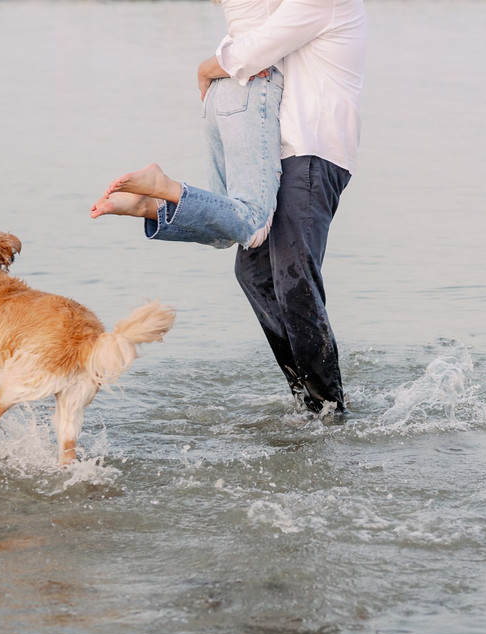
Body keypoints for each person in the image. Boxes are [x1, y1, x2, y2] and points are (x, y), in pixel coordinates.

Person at [98, 0, 368, 419]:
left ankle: (330, 410)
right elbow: (247, 34)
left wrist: (206, 68)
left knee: (293, 278)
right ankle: (308, 400)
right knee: (255, 272)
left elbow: (250, 52)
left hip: (311, 151)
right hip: (276, 157)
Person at [92, 0, 284, 251]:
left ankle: (150, 207)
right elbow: (262, 48)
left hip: (223, 85)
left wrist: (205, 69)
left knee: (225, 227)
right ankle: (167, 188)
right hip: (253, 82)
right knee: (254, 223)